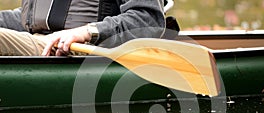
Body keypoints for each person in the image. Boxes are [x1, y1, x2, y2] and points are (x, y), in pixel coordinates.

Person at [0, 0, 166, 56]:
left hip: (84, 49)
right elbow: (31, 21)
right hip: (40, 41)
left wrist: (88, 32)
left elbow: (149, 20)